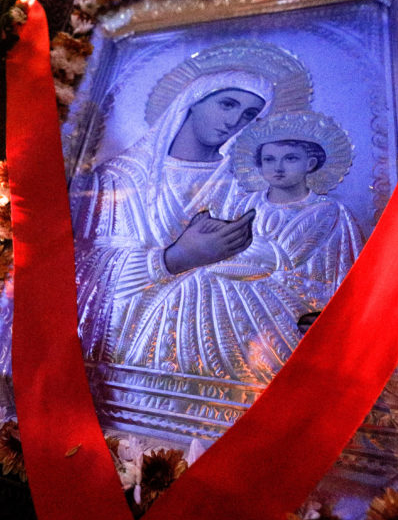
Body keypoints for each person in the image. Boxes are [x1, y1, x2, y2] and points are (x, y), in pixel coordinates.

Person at [70, 41, 312, 370]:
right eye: (227, 104)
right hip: (124, 353)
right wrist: (174, 258)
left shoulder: (244, 183)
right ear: (194, 99)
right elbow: (83, 272)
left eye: (248, 115)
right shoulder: (118, 178)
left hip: (217, 350)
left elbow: (280, 263)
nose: (234, 121)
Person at [120, 110, 364, 384]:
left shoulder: (327, 211)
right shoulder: (247, 203)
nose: (278, 167)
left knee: (203, 283)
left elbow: (311, 265)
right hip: (231, 282)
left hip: (291, 296)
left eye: (290, 158)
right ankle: (172, 372)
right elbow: (223, 246)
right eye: (269, 159)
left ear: (311, 163)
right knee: (191, 284)